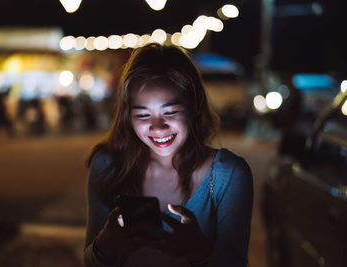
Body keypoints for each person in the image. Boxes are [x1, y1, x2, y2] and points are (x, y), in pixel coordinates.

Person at [84, 43, 253, 267]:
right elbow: (89, 260)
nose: (158, 127)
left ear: (195, 105)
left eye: (170, 112)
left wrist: (201, 251)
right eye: (143, 115)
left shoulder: (227, 174)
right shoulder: (108, 166)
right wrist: (105, 245)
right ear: (127, 115)